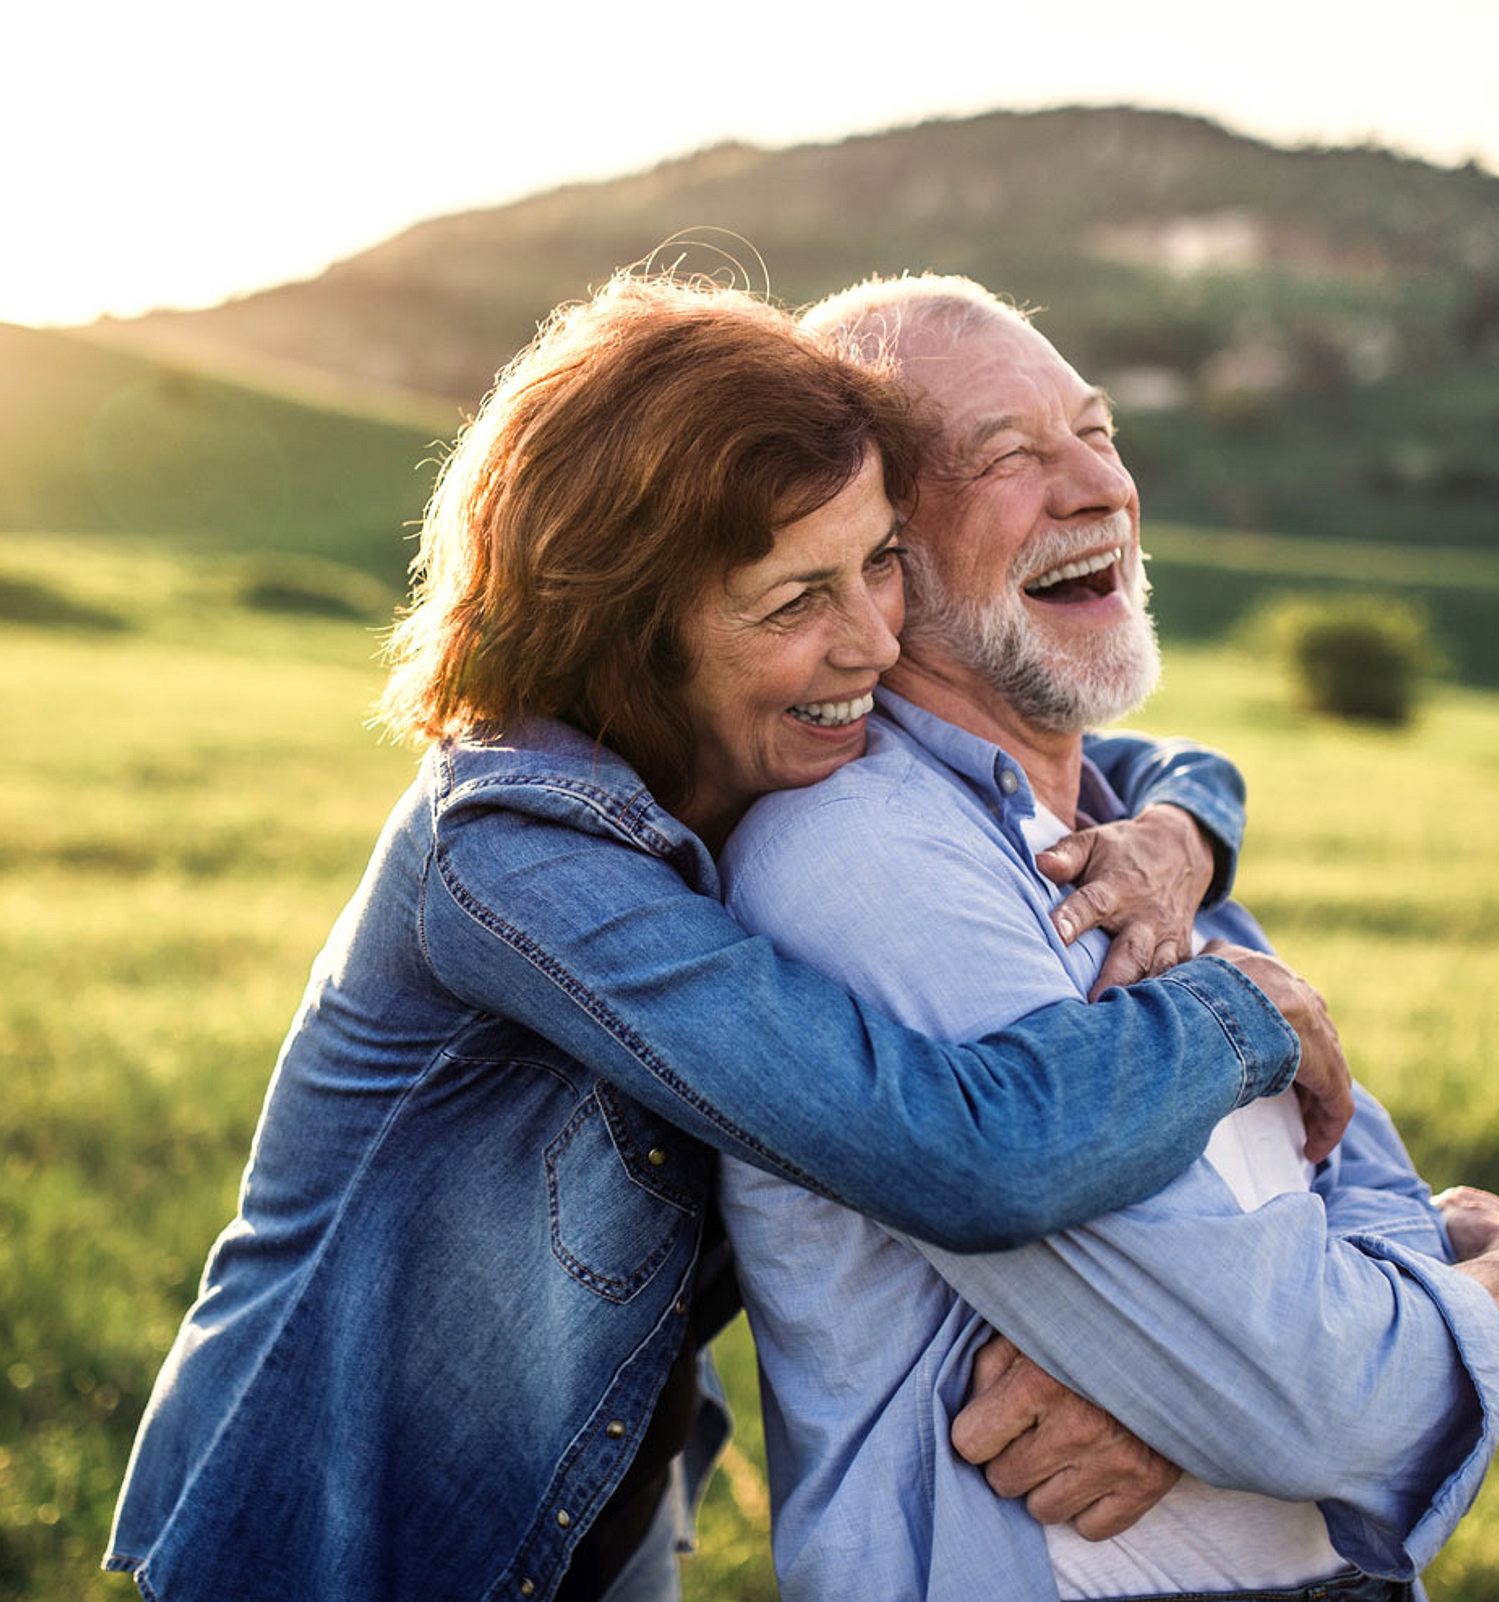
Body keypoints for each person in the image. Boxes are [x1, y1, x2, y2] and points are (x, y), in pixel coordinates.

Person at [102, 274, 1354, 1602]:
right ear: (632, 630)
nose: (872, 640)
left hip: (599, 1500)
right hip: (355, 1541)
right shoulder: (514, 858)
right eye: (793, 600)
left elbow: (1154, 758)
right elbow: (958, 1149)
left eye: (877, 561)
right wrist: (1241, 1012)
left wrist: (1175, 838)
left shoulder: (743, 745)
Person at [717, 275, 1499, 1601]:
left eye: (1099, 432)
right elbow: (1312, 1398)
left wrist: (1200, 1378)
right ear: (878, 553)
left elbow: (1357, 1192)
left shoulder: (1139, 843)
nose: (1096, 488)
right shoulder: (866, 857)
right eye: (1006, 456)